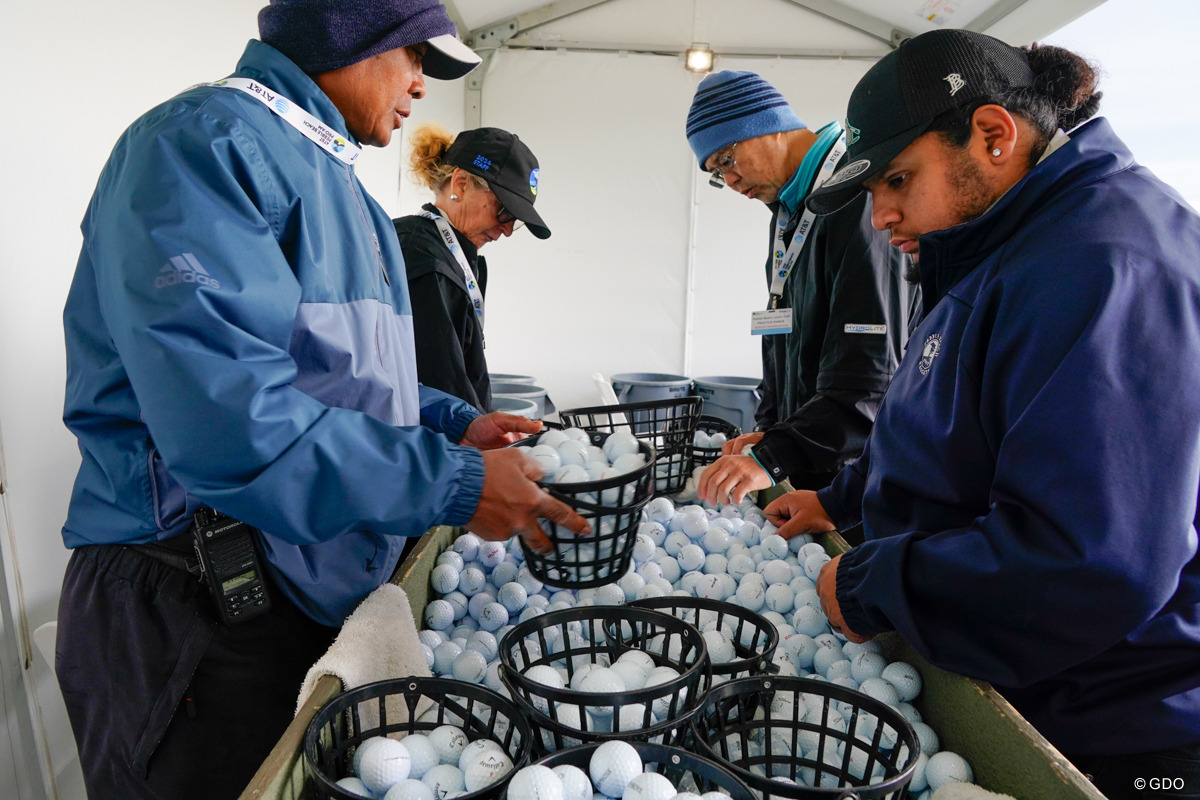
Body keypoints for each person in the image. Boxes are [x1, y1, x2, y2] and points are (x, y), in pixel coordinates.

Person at [55, 2, 586, 798]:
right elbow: (234, 424)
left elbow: (351, 383)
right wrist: (456, 484)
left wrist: (456, 423)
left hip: (278, 594)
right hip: (187, 603)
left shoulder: (346, 194)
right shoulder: (201, 148)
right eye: (413, 58)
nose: (418, 86)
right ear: (350, 35)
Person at [768, 29, 1200, 799]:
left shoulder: (1103, 264)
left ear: (994, 134)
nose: (882, 217)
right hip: (1026, 682)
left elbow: (1086, 559)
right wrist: (840, 498)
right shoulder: (1004, 240)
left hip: (1115, 730)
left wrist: (873, 584)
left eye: (898, 181)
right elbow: (954, 416)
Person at [684, 70, 917, 509]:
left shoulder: (856, 198)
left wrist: (774, 455)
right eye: (716, 174)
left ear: (767, 126)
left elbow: (870, 376)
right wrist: (774, 432)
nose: (729, 182)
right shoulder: (790, 212)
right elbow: (786, 339)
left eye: (726, 160)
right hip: (813, 462)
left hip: (856, 481)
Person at [394, 124, 550, 413]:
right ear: (461, 184)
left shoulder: (460, 256)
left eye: (516, 220)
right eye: (504, 211)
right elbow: (439, 384)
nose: (507, 230)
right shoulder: (424, 261)